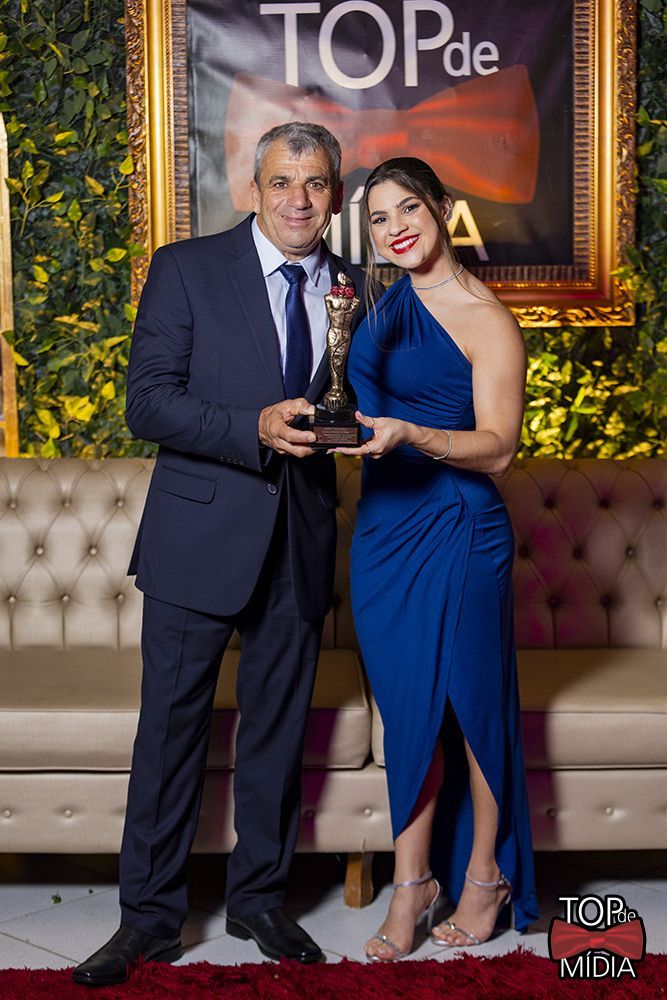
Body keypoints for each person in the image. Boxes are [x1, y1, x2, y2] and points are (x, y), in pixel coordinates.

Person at [73, 122, 372, 987]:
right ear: (252, 188)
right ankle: (148, 917)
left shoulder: (358, 288)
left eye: (314, 184)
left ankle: (259, 899)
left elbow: (360, 401)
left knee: (277, 732)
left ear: (335, 196)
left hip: (300, 539)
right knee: (170, 733)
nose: (297, 200)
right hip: (197, 537)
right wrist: (253, 428)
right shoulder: (186, 269)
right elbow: (147, 403)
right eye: (281, 182)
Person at [337, 157, 539, 961]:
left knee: (472, 710)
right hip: (383, 533)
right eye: (379, 219)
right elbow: (355, 403)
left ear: (444, 208)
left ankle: (484, 876)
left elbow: (499, 450)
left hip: (457, 528)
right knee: (407, 710)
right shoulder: (380, 303)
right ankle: (414, 882)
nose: (395, 229)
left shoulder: (486, 318)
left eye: (408, 209)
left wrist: (414, 434)